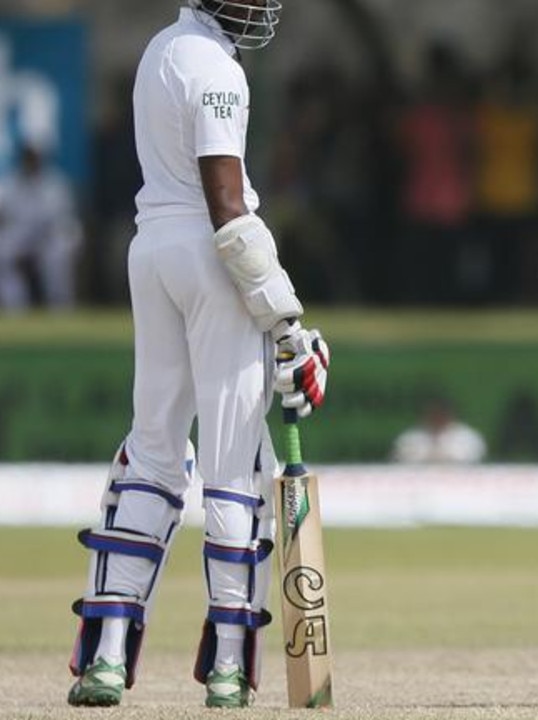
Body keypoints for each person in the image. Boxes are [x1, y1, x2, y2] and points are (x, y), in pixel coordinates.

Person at [66, 0, 330, 709]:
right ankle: (228, 666)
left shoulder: (160, 50)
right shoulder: (218, 66)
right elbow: (226, 205)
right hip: (210, 259)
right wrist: (287, 323)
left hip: (149, 252)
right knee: (233, 460)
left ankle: (108, 658)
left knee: (151, 454)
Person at [0, 143, 83, 311]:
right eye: (28, 159)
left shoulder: (54, 183)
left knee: (58, 253)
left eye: (34, 158)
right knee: (3, 253)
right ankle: (16, 309)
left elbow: (62, 219)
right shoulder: (11, 183)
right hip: (23, 236)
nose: (31, 162)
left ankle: (61, 307)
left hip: (50, 237)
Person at [391, 398, 487, 465]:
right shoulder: (410, 437)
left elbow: (472, 460)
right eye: (433, 413)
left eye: (441, 413)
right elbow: (402, 460)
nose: (437, 416)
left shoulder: (467, 436)